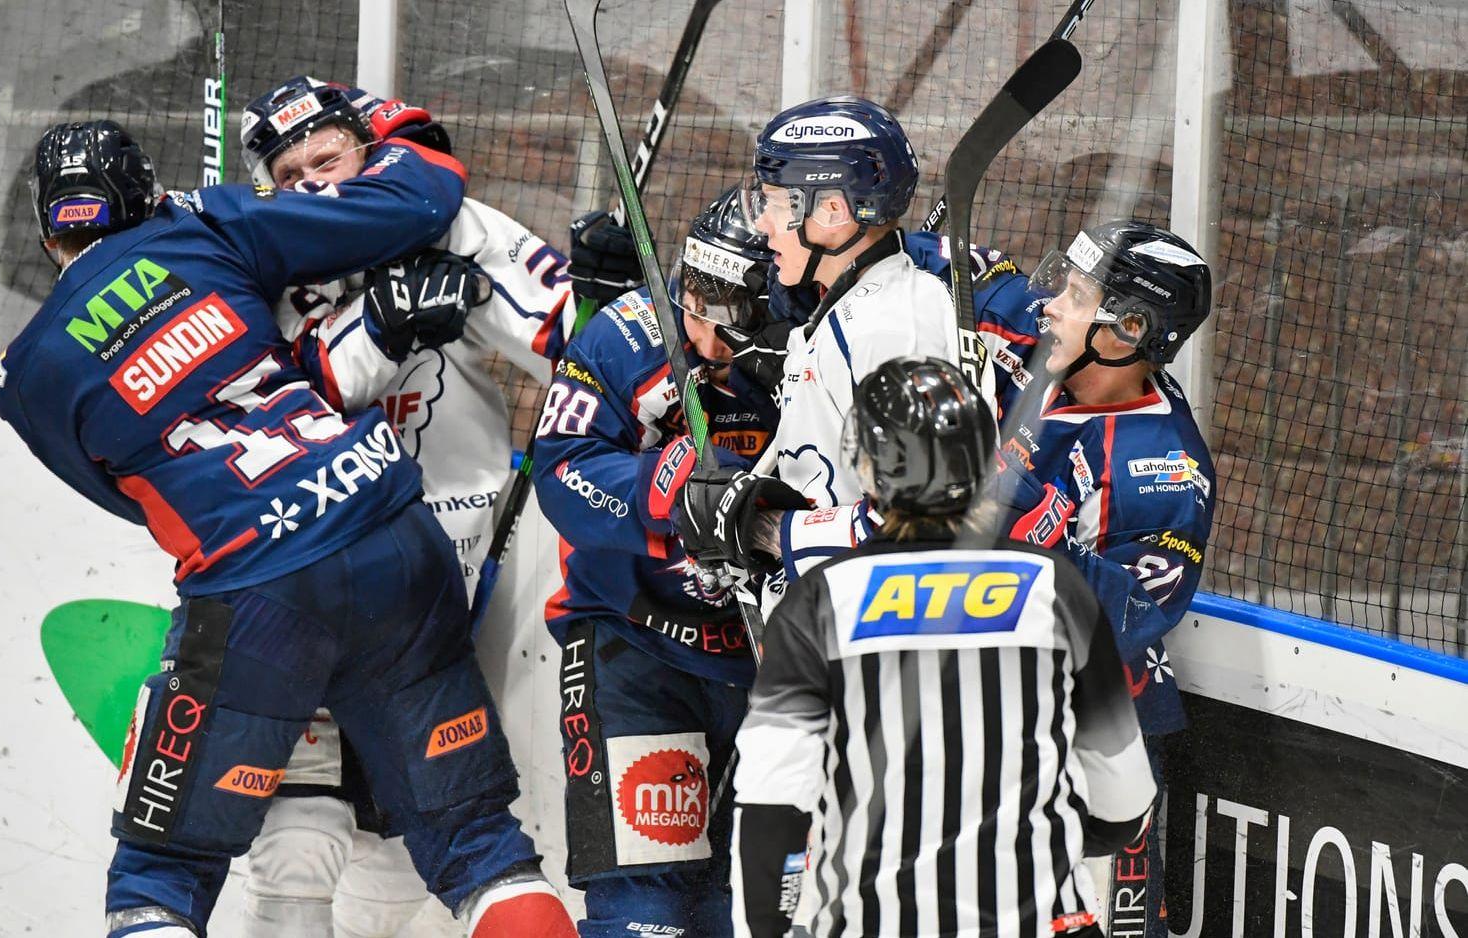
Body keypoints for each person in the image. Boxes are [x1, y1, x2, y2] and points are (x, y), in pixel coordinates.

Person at [0, 119, 575, 937]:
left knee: (159, 879)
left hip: (256, 591)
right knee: (480, 847)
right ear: (146, 193)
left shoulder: (25, 378)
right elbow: (424, 192)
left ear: (48, 230)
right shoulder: (200, 225)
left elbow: (130, 497)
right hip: (392, 532)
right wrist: (396, 135)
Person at [234, 75, 614, 938]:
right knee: (304, 839)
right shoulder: (256, 266)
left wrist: (602, 298)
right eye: (291, 174)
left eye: (327, 157)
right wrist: (374, 333)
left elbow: (581, 355)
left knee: (492, 823)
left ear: (368, 145)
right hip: (315, 579)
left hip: (477, 573)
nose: (316, 185)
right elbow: (248, 423)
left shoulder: (452, 228)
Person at [729, 355, 1156, 937]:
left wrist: (770, 928)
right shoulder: (1055, 588)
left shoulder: (820, 602)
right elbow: (1125, 800)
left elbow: (772, 809)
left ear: (873, 471)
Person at [530, 187, 778, 937]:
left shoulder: (821, 342)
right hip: (635, 648)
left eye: (729, 326)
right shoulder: (623, 335)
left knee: (748, 913)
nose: (704, 341)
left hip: (773, 667)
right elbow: (560, 471)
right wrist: (663, 489)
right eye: (695, 306)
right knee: (641, 916)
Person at [971, 220, 1216, 935]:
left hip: (1100, 738)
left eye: (1073, 295)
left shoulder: (1161, 469)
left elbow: (1132, 618)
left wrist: (1024, 528)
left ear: (1125, 330)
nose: (1048, 306)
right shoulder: (1069, 356)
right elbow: (998, 295)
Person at [674, 95, 994, 598]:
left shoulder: (892, 327)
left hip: (878, 649)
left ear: (832, 209)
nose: (762, 224)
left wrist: (768, 531)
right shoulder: (851, 309)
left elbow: (927, 535)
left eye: (775, 203)